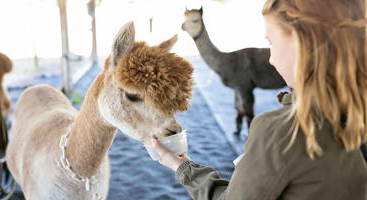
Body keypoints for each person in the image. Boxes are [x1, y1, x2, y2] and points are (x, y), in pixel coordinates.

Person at [151, 0, 367, 199]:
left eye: (271, 42)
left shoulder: (280, 132)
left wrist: (180, 165)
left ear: (301, 43)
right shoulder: (357, 112)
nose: (270, 58)